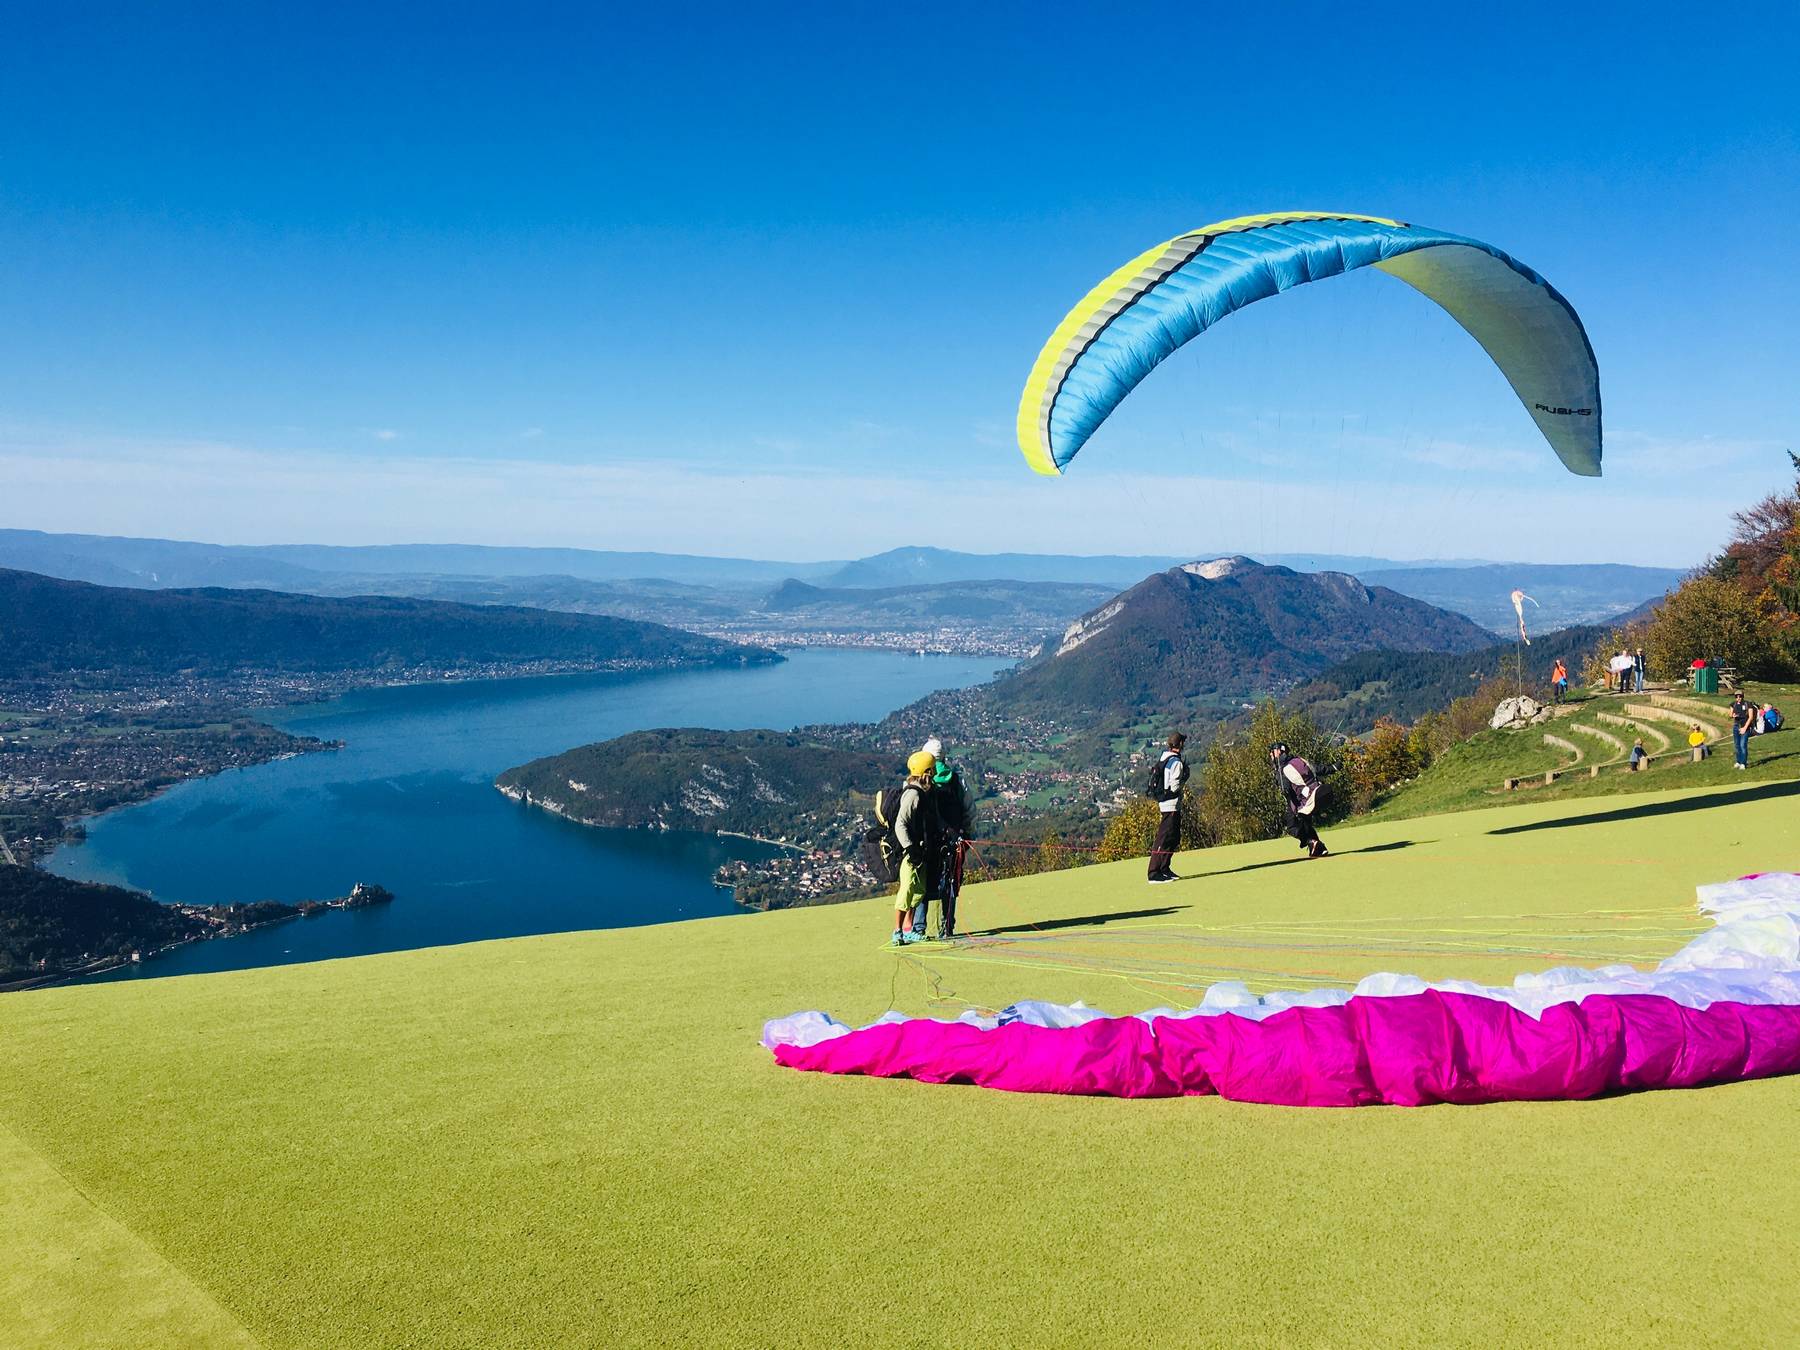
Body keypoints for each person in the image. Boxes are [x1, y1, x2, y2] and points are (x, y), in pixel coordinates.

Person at [919, 736, 974, 939]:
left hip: (927, 841)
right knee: (950, 882)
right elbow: (969, 809)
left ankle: (918, 928)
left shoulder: (923, 781)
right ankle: (947, 926)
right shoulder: (957, 780)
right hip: (953, 840)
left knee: (922, 881)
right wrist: (966, 834)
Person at [890, 751, 935, 944]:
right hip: (911, 854)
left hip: (920, 852)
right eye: (931, 770)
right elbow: (900, 824)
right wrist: (910, 849)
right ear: (926, 772)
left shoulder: (922, 793)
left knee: (919, 890)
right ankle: (897, 931)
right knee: (907, 890)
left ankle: (908, 929)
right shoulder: (913, 795)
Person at [1271, 742, 1329, 859]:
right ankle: (1318, 848)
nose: (1271, 756)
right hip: (1314, 794)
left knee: (1292, 826)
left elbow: (1286, 787)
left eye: (1272, 753)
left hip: (1300, 802)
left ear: (1277, 752)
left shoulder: (1282, 767)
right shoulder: (1298, 760)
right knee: (1306, 825)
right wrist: (1332, 768)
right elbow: (1316, 769)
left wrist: (1284, 789)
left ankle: (1312, 843)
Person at [1147, 732, 1188, 883]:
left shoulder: (1164, 758)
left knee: (1173, 837)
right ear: (1180, 744)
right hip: (1171, 804)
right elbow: (1175, 785)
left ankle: (1164, 869)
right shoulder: (1176, 762)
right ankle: (1154, 872)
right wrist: (1184, 779)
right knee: (1165, 837)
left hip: (1164, 802)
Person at [1730, 692, 1754, 770]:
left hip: (1745, 726)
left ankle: (1743, 763)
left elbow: (1750, 717)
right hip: (1736, 726)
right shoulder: (1733, 704)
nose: (1738, 698)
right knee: (1737, 745)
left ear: (1743, 696)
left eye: (1740, 696)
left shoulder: (1748, 704)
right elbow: (1730, 714)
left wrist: (1745, 728)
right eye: (1736, 696)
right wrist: (1733, 715)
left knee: (1743, 745)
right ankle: (1738, 761)